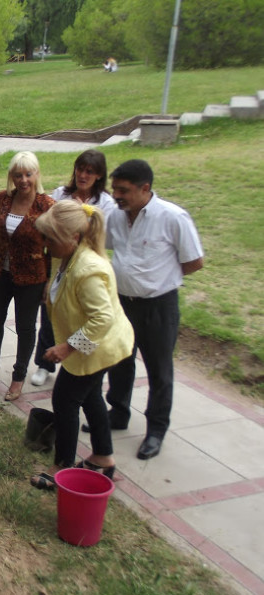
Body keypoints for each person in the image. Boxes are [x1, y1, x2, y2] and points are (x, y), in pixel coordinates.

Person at [100, 160, 204, 460]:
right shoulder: (115, 216)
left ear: (145, 189)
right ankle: (117, 413)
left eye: (124, 190)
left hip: (159, 306)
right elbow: (102, 244)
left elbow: (194, 261)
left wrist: (160, 278)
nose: (116, 195)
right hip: (123, 303)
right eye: (114, 188)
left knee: (159, 370)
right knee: (120, 360)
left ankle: (156, 430)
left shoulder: (172, 217)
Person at [28, 201, 134, 490]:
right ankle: (103, 458)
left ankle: (62, 465)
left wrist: (66, 348)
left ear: (72, 237)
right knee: (90, 398)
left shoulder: (88, 269)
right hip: (97, 345)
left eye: (50, 238)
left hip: (100, 346)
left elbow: (102, 318)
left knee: (65, 400)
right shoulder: (68, 256)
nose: (45, 243)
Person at [32, 149, 117, 387]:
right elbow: (50, 228)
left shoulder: (105, 203)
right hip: (59, 261)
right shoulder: (61, 193)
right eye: (80, 169)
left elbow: (101, 235)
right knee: (50, 312)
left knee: (79, 315)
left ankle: (79, 364)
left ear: (99, 176)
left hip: (82, 261)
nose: (83, 175)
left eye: (90, 171)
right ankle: (44, 363)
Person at [0, 151, 54, 401]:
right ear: (11, 176)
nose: (23, 180)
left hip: (31, 278)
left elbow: (53, 247)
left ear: (36, 174)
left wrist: (48, 282)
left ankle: (18, 377)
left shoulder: (47, 205)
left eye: (28, 174)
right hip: (0, 272)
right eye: (18, 175)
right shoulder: (3, 199)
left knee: (25, 327)